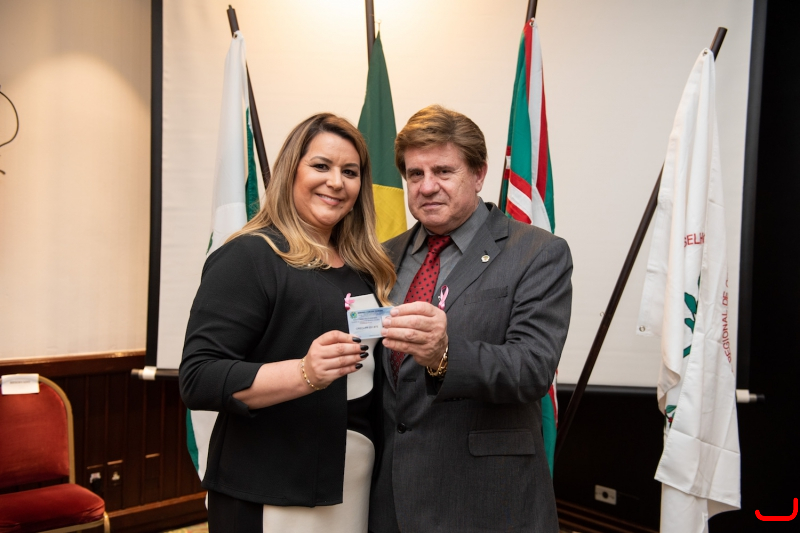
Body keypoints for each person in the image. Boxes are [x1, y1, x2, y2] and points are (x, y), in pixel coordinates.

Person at [180, 113, 396, 532]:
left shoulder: (366, 268)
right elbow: (199, 378)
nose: (336, 182)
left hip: (352, 485)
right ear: (290, 171)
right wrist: (304, 373)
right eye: (321, 166)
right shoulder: (250, 256)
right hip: (269, 491)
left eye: (350, 172)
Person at [369, 105, 573, 533]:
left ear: (479, 174)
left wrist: (444, 355)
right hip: (393, 501)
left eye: (443, 171)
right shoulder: (382, 257)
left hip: (487, 501)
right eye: (415, 174)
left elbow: (533, 369)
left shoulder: (537, 252)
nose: (427, 186)